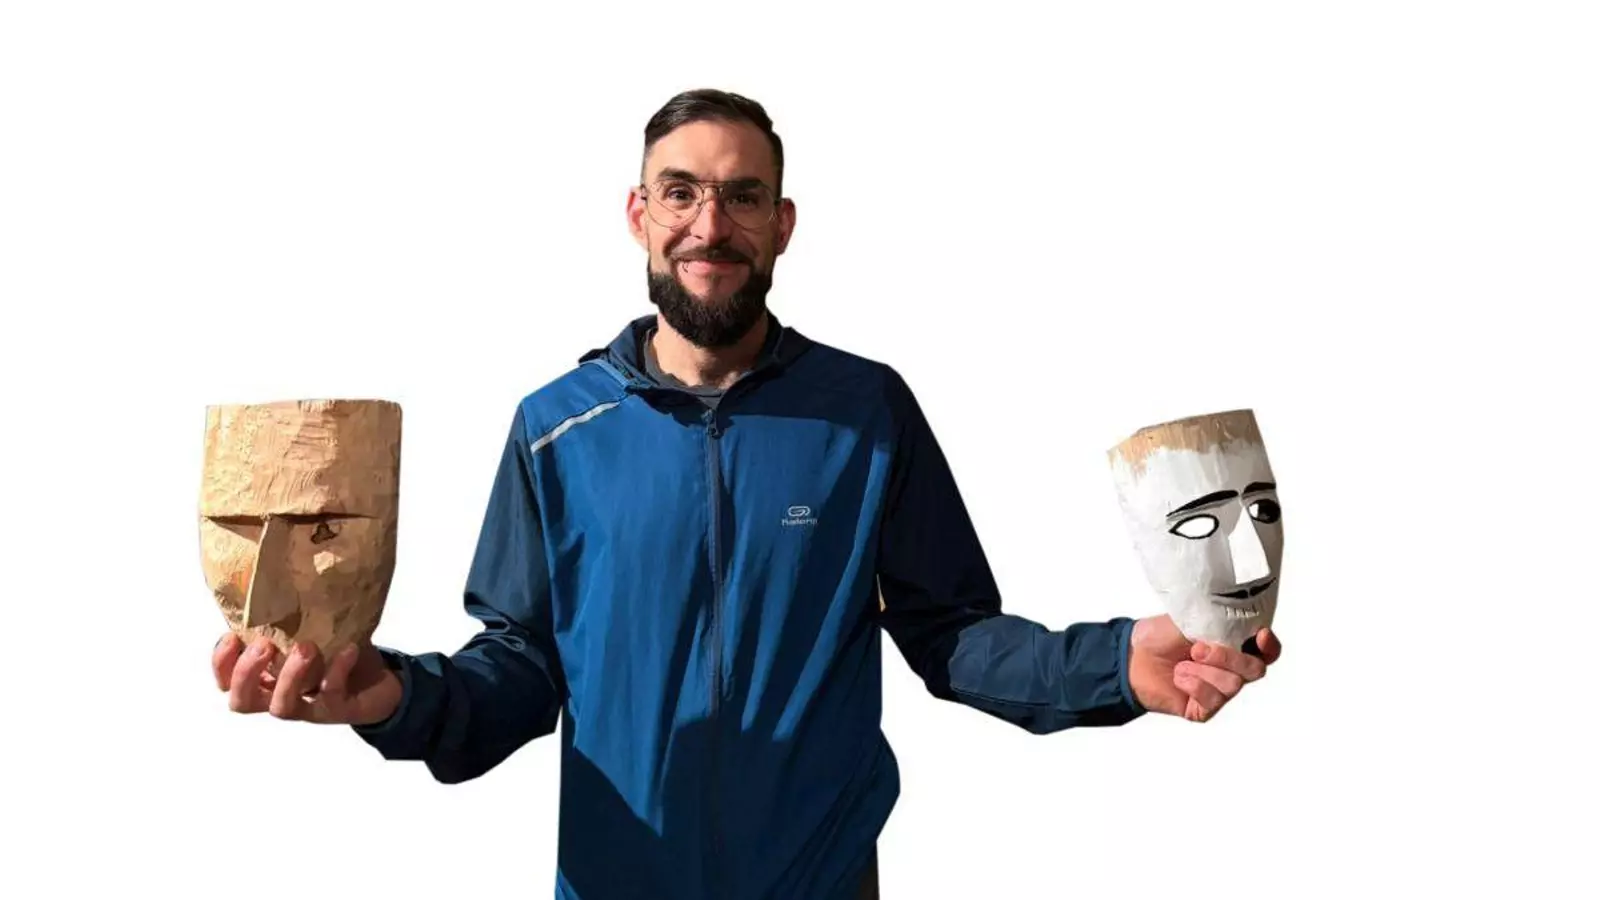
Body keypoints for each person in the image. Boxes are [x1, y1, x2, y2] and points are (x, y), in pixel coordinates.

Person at [211, 88, 1283, 900]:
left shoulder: (864, 411)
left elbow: (951, 632)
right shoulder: (556, 427)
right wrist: (388, 697)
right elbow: (522, 668)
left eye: (742, 196)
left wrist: (1116, 664)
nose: (709, 223)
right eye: (680, 191)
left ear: (783, 223)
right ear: (639, 214)